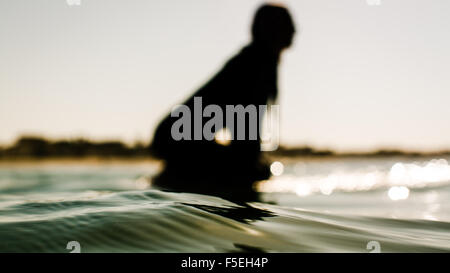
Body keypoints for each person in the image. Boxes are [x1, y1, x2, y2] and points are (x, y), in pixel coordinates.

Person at [151, 4, 295, 200]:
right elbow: (245, 133)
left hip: (174, 140)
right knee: (252, 171)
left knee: (253, 168)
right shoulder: (254, 64)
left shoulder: (256, 61)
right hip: (174, 140)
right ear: (270, 29)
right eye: (287, 24)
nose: (295, 30)